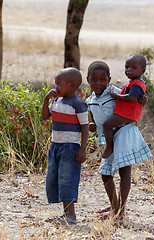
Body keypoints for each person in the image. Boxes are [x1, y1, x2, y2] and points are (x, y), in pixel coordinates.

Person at [85, 60, 152, 220]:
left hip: (122, 135)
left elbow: (135, 97)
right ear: (88, 80)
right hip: (108, 141)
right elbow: (95, 119)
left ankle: (120, 210)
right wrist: (92, 125)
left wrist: (143, 99)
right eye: (94, 80)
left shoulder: (115, 91)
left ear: (109, 79)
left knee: (124, 172)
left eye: (103, 79)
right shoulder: (89, 101)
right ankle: (114, 204)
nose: (99, 83)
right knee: (105, 174)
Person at [41, 67, 89, 225]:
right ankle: (65, 214)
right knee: (56, 178)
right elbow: (45, 117)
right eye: (55, 84)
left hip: (70, 148)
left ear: (72, 85)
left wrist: (82, 149)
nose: (56, 87)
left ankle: (71, 216)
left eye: (59, 84)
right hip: (56, 146)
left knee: (68, 179)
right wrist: (46, 99)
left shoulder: (78, 104)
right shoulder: (56, 100)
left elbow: (85, 126)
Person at [102, 53, 148, 159]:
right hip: (126, 113)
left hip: (126, 114)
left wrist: (116, 96)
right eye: (126, 67)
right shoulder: (132, 82)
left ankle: (109, 147)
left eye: (133, 68)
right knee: (116, 130)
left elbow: (131, 97)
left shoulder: (137, 84)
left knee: (106, 125)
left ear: (143, 71)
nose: (129, 70)